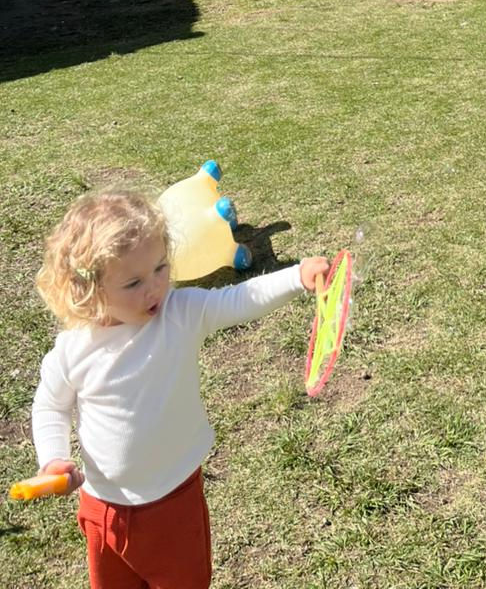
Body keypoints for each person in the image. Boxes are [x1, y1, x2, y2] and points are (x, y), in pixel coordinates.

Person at [30, 190, 329, 589]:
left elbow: (238, 299)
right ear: (92, 288)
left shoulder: (181, 313)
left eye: (160, 267)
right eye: (134, 281)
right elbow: (51, 406)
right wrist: (53, 459)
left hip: (173, 504)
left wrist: (296, 277)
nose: (154, 287)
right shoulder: (74, 348)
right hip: (103, 507)